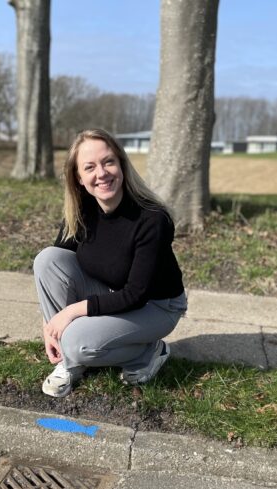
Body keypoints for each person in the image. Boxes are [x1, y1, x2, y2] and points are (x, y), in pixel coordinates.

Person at [33, 128, 187, 398]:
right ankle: (69, 363)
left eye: (108, 162)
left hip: (155, 306)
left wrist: (70, 313)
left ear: (121, 165)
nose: (101, 174)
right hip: (111, 291)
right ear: (79, 178)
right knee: (48, 259)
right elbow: (56, 270)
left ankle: (149, 351)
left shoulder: (152, 220)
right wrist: (49, 328)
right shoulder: (82, 210)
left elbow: (136, 294)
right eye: (89, 167)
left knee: (77, 342)